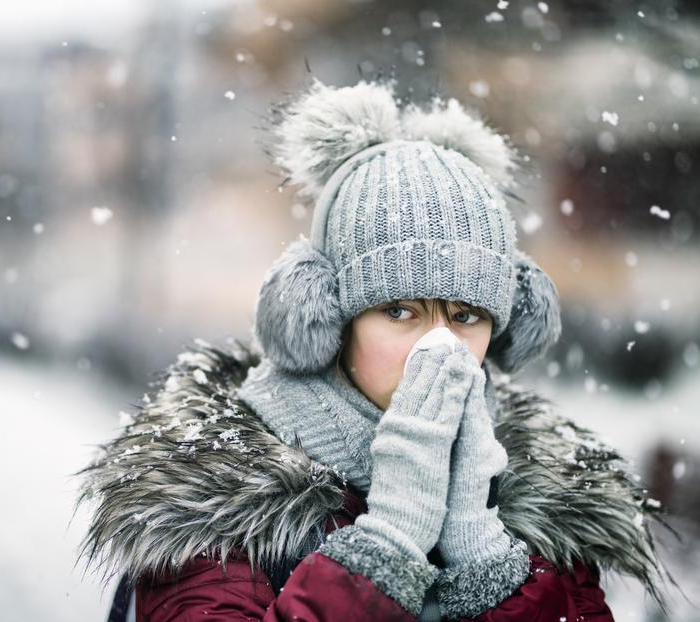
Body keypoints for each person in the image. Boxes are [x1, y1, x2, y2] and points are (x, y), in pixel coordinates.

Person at [75, 77, 669, 621]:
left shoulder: (542, 508)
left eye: (465, 315)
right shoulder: (217, 512)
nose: (439, 345)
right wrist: (389, 546)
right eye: (400, 311)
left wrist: (489, 562)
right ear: (322, 315)